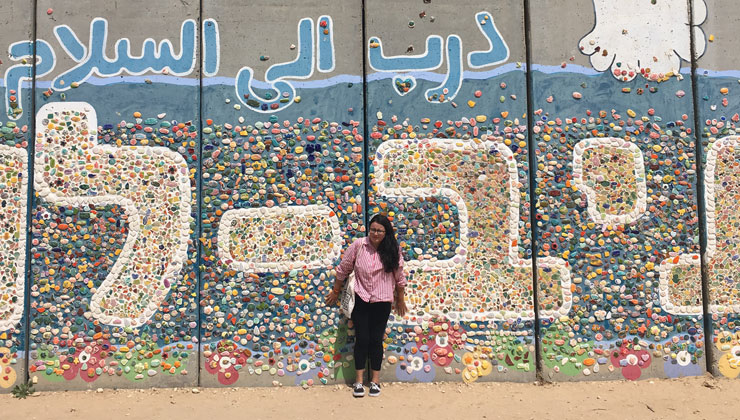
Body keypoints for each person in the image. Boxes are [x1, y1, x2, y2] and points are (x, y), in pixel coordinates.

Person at [325, 214, 407, 397]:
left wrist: (400, 299)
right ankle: (359, 382)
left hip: (382, 301)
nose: (375, 234)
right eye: (373, 230)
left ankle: (375, 381)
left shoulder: (393, 249)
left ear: (386, 233)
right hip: (360, 299)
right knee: (362, 339)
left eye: (379, 230)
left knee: (376, 340)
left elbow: (399, 276)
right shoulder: (359, 245)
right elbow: (343, 268)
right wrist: (335, 291)